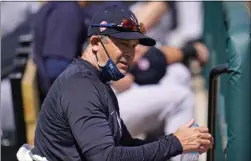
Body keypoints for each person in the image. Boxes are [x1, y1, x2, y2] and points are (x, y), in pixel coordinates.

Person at [17, 5, 213, 161]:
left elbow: (125, 147)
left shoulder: (100, 84)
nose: (129, 54)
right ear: (95, 43)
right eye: (122, 43)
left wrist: (178, 141)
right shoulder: (80, 87)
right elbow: (105, 157)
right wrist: (176, 144)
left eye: (134, 46)